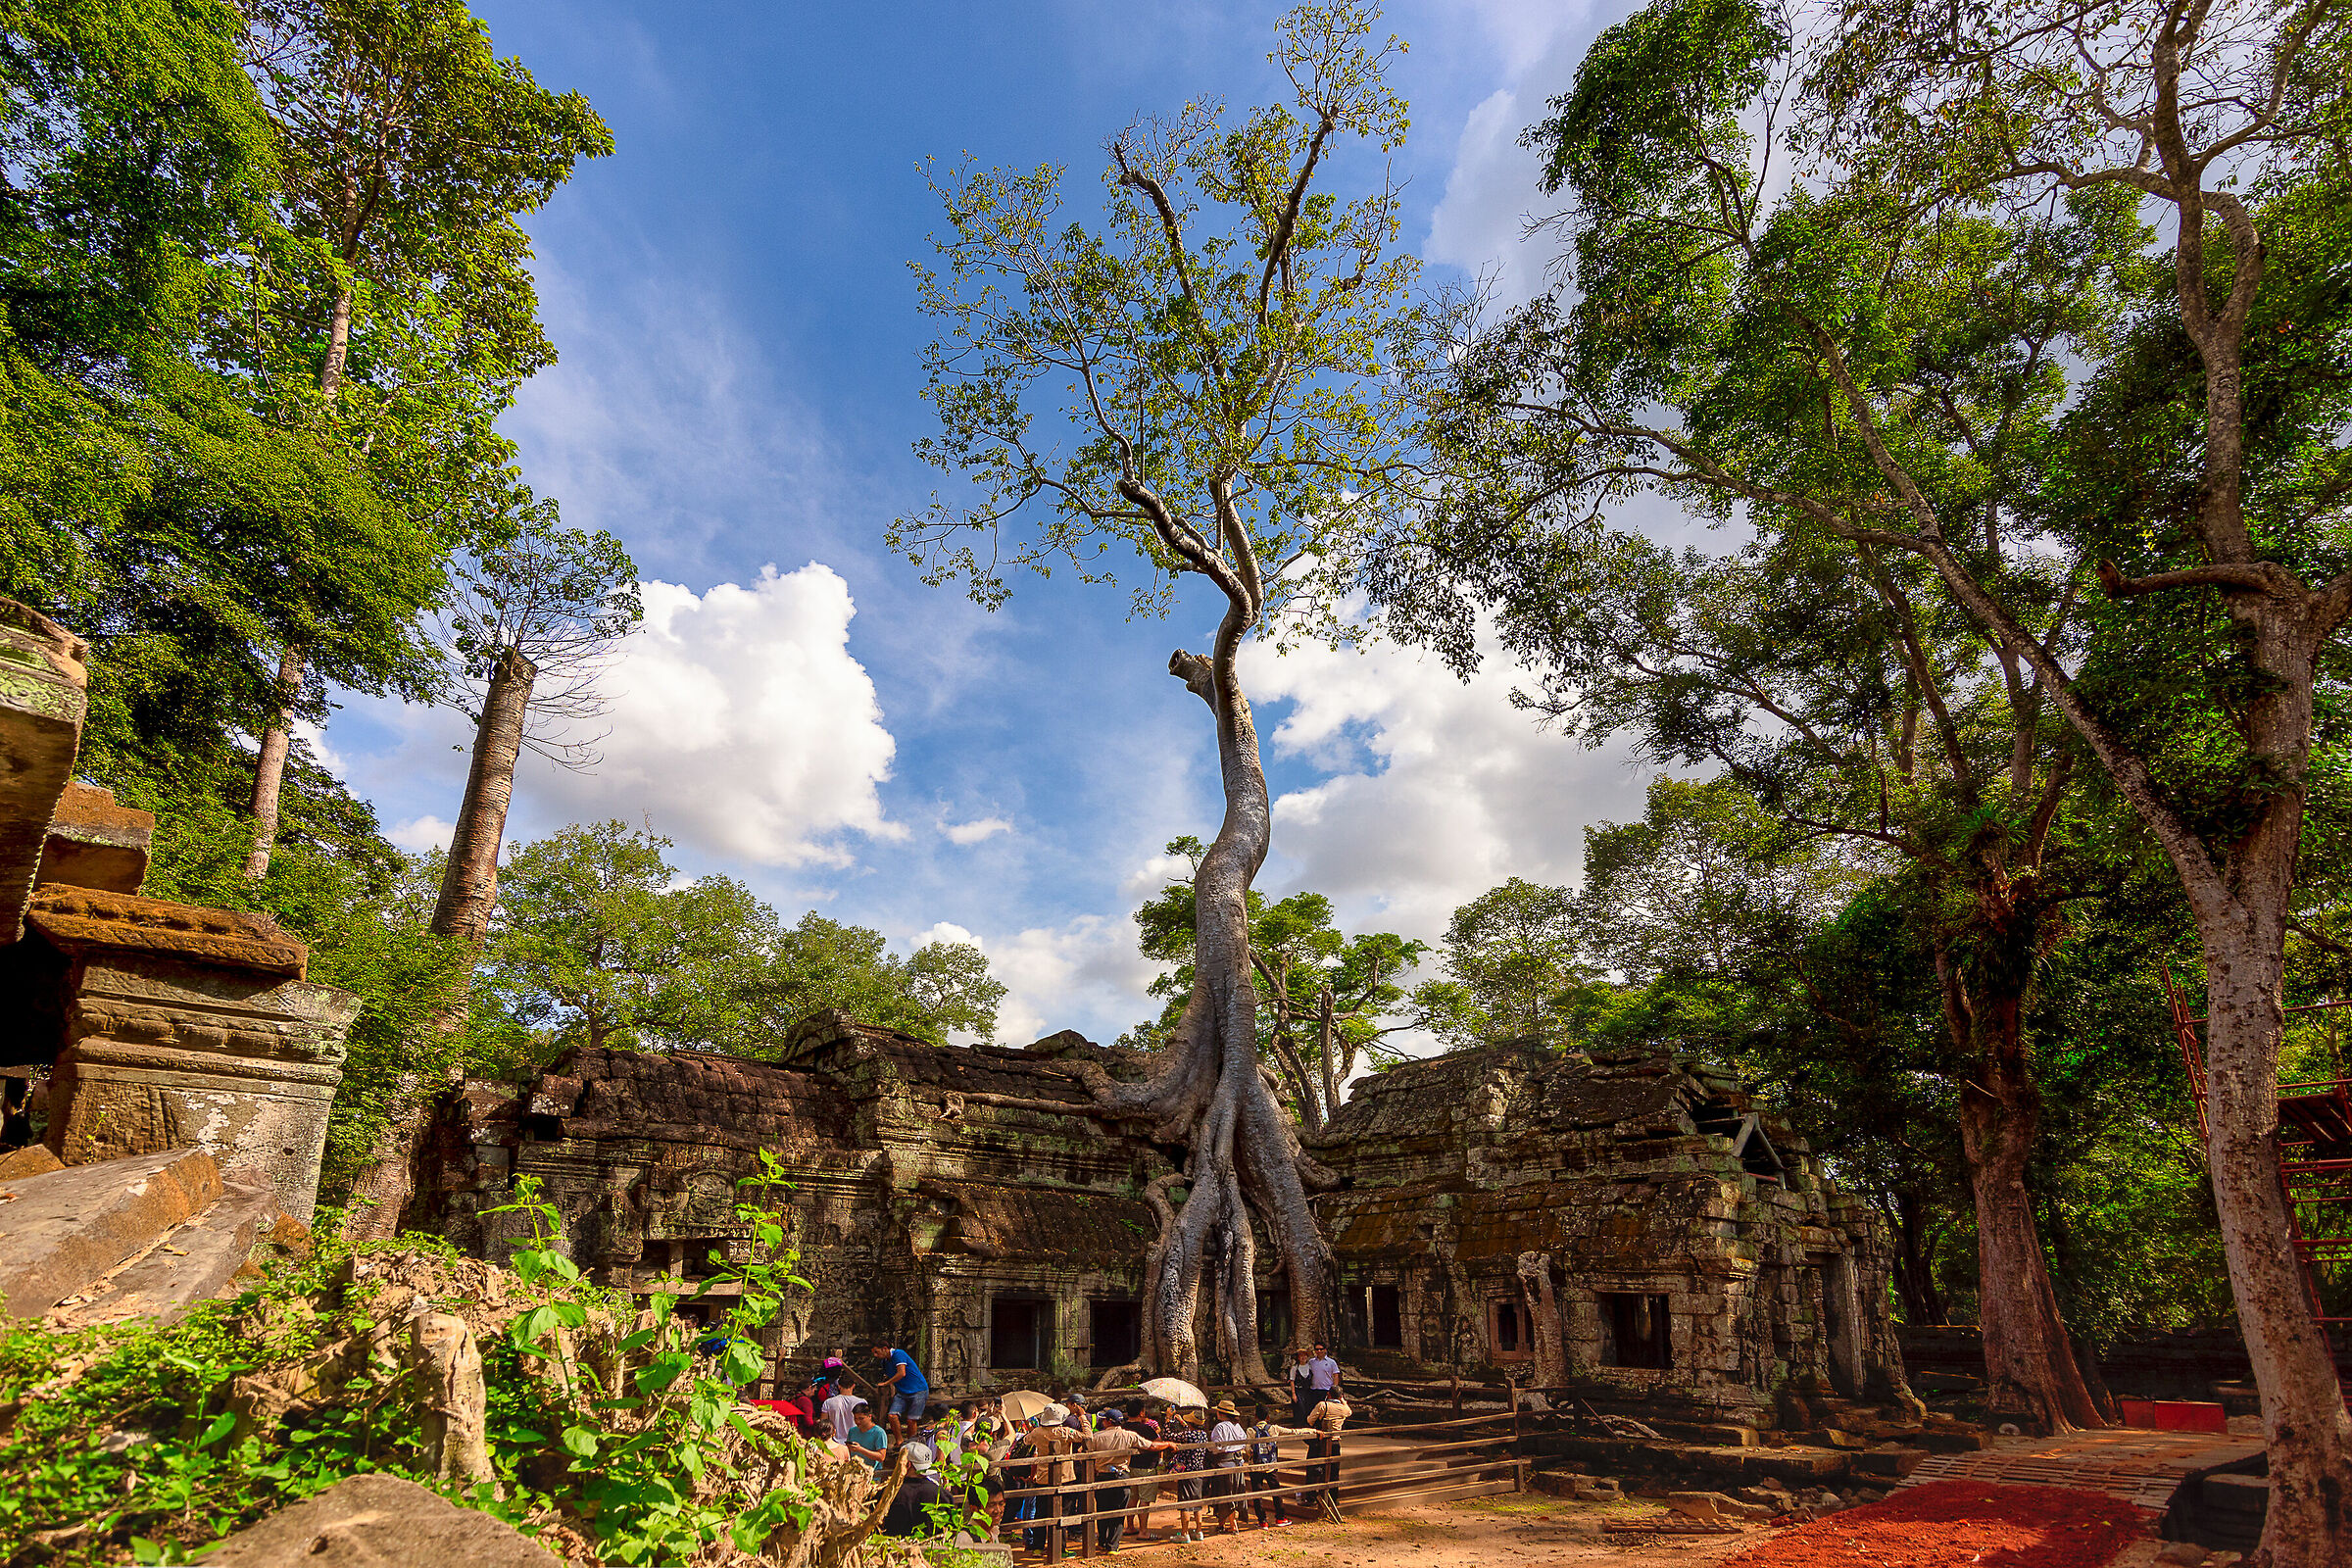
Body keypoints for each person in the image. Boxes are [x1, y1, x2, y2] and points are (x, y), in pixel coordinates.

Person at [1085, 1405, 1157, 1553]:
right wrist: (1168, 1444)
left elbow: (1083, 1453)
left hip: (1102, 1477)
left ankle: (1102, 1542)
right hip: (1121, 1477)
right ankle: (1113, 1546)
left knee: (1102, 1511)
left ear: (1108, 1422)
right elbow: (1151, 1446)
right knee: (1118, 1512)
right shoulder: (1129, 1435)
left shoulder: (1096, 1437)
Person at [1163, 1406, 1210, 1543]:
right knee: (1197, 1502)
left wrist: (1168, 1419)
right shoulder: (1203, 1435)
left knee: (1185, 1503)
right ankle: (1199, 1531)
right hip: (1198, 1471)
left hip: (1187, 1472)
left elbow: (1168, 1436)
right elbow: (1189, 1433)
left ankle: (1184, 1533)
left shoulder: (1188, 1435)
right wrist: (1182, 1422)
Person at [868, 1341, 929, 1444]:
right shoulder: (885, 1362)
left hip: (918, 1390)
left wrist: (886, 1383)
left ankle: (911, 1443)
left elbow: (901, 1373)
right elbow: (890, 1375)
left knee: (911, 1420)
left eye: (876, 1352)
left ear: (884, 1349)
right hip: (902, 1392)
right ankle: (899, 1441)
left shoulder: (898, 1354)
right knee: (892, 1416)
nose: (875, 1355)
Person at [881, 1444, 944, 1538]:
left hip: (893, 1544)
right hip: (934, 1544)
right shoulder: (941, 1493)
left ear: (907, 1464)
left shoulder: (889, 1492)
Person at [1304, 1389, 1351, 1511]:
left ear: (1328, 1394)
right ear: (1340, 1396)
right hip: (1335, 1442)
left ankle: (1310, 1497)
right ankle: (1333, 1498)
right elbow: (1349, 1412)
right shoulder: (1344, 1409)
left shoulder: (1322, 1405)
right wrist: (1343, 1401)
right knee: (1334, 1471)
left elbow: (1310, 1420)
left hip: (1320, 1441)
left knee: (1313, 1468)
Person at [1205, 1398, 1249, 1533]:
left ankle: (1233, 1525)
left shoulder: (1220, 1427)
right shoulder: (1237, 1426)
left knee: (1224, 1493)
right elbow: (1243, 1441)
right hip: (1237, 1462)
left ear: (1220, 1413)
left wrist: (1210, 1449)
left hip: (1224, 1463)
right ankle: (1222, 1524)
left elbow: (1218, 1446)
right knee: (1234, 1491)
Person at [846, 1401, 890, 1473]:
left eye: (861, 1418)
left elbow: (881, 1457)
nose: (857, 1421)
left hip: (872, 1474)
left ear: (869, 1416)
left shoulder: (879, 1432)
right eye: (855, 1418)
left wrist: (860, 1449)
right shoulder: (852, 1431)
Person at [1288, 1345, 1318, 1424]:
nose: (1303, 1357)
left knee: (1309, 1409)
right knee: (1300, 1410)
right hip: (1298, 1391)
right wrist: (1293, 1394)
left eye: (1305, 1355)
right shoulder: (1294, 1368)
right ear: (1298, 1358)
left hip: (1308, 1391)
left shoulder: (1310, 1367)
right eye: (1301, 1356)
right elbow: (1292, 1381)